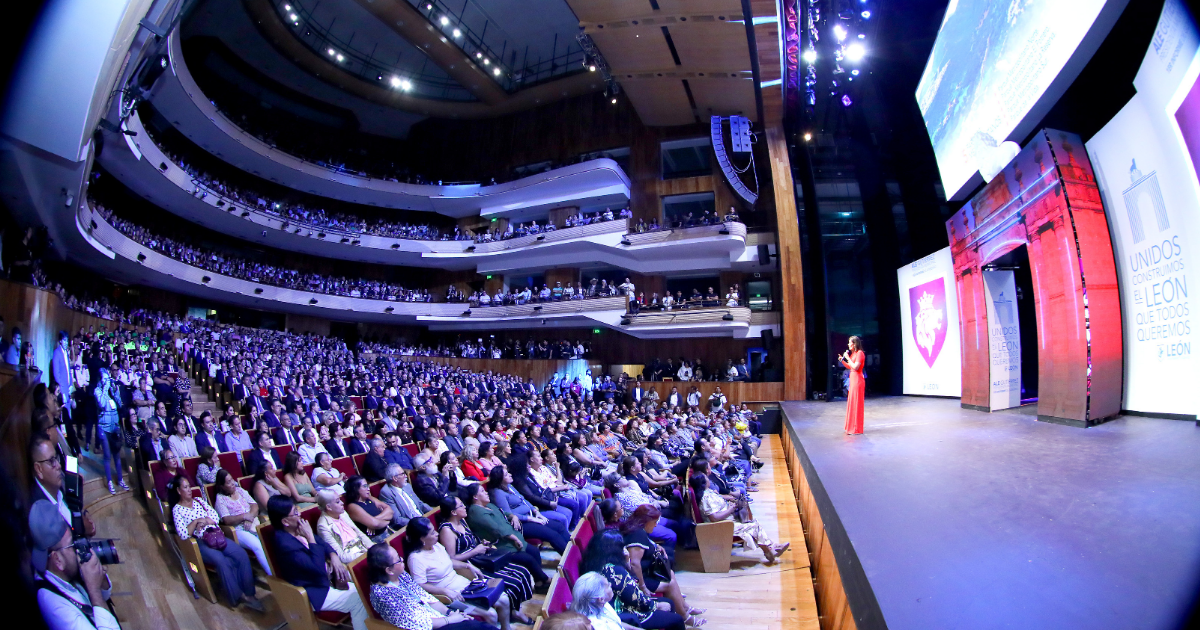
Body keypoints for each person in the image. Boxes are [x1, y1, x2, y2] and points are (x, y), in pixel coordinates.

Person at [267, 495, 369, 630]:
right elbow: (317, 568)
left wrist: (334, 556)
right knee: (358, 600)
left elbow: (324, 544)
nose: (300, 514)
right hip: (314, 589)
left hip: (327, 578)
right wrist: (310, 537)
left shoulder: (296, 528)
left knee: (364, 589)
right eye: (295, 512)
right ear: (285, 521)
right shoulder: (285, 544)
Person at [169, 474, 264, 611]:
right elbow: (183, 534)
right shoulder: (177, 509)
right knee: (221, 560)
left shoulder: (199, 501)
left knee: (240, 554)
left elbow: (215, 516)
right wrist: (195, 522)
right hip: (200, 541)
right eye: (185, 487)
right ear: (178, 491)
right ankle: (239, 596)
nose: (189, 489)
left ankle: (250, 593)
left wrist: (205, 520)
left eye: (189, 486)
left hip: (216, 534)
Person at [403, 516, 512, 630]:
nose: (436, 533)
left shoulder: (436, 545)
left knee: (504, 598)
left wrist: (467, 565)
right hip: (451, 597)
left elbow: (448, 562)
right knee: (491, 614)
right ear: (422, 539)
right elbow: (419, 585)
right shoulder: (416, 558)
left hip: (465, 586)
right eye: (432, 533)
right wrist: (445, 591)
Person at [29, 500, 120, 630]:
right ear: (57, 560)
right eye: (73, 545)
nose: (78, 549)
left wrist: (100, 579)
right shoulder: (53, 604)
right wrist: (94, 591)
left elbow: (104, 596)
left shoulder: (65, 573)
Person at [437, 495, 537, 612]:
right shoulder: (447, 530)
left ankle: (515, 608)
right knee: (512, 582)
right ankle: (512, 612)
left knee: (522, 572)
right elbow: (451, 558)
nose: (465, 507)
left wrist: (481, 543)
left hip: (481, 557)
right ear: (453, 512)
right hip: (469, 565)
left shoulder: (462, 521)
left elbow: (472, 540)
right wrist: (475, 551)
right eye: (461, 506)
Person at [366, 543, 498, 630]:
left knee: (483, 626)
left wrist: (450, 613)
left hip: (438, 618)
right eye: (398, 559)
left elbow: (426, 597)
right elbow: (416, 622)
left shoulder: (401, 575)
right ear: (389, 570)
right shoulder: (382, 595)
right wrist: (450, 620)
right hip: (429, 627)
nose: (402, 559)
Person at [580, 530, 693, 630]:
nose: (625, 550)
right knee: (676, 619)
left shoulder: (593, 562)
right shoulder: (615, 570)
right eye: (622, 547)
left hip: (607, 608)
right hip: (621, 612)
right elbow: (635, 597)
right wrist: (656, 606)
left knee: (669, 603)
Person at [689, 474, 788, 564]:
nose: (708, 478)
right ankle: (771, 549)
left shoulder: (709, 492)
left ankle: (771, 549)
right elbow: (714, 518)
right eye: (706, 478)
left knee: (754, 524)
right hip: (720, 527)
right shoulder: (706, 498)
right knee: (754, 526)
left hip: (726, 522)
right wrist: (731, 509)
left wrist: (730, 504)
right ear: (703, 483)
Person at [487, 465, 568, 553]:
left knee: (559, 526)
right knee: (552, 535)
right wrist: (532, 519)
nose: (510, 474)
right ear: (500, 479)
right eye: (506, 474)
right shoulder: (499, 493)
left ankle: (574, 551)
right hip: (521, 524)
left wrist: (536, 511)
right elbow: (508, 514)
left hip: (531, 516)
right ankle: (569, 561)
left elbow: (523, 500)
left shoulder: (509, 486)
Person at [214, 469, 272, 575]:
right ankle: (273, 575)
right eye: (228, 482)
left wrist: (250, 517)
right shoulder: (220, 499)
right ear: (222, 486)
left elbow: (254, 505)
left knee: (270, 539)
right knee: (257, 545)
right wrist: (244, 516)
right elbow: (226, 520)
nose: (232, 484)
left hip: (253, 522)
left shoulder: (240, 491)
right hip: (238, 530)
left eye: (232, 480)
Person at [94, 369, 127, 495]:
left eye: (108, 378)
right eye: (105, 379)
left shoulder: (111, 391)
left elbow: (120, 405)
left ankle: (120, 479)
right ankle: (109, 481)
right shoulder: (97, 391)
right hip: (103, 428)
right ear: (100, 380)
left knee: (117, 455)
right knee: (107, 456)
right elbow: (102, 404)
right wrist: (105, 389)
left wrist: (116, 393)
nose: (107, 381)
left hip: (115, 428)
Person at [316, 489, 373, 563]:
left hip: (364, 549)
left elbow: (359, 532)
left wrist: (372, 547)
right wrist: (367, 555)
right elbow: (341, 556)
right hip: (352, 558)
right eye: (337, 502)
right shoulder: (323, 526)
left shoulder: (342, 513)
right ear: (329, 507)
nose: (342, 503)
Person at [569, 571, 638, 630]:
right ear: (600, 599)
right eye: (608, 585)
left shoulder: (600, 604)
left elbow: (617, 624)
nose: (611, 585)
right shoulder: (596, 626)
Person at [378, 463, 431, 528]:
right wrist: (417, 523)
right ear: (395, 478)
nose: (406, 476)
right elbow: (397, 519)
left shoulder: (407, 486)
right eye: (403, 474)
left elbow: (420, 504)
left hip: (422, 518)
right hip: (410, 526)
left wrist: (432, 512)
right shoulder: (386, 493)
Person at [344, 475, 395, 542]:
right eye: (365, 486)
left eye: (367, 486)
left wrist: (375, 520)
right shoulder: (352, 506)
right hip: (375, 539)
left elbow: (390, 511)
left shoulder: (369, 498)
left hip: (388, 530)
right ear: (355, 488)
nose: (368, 488)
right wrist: (387, 521)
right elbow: (375, 524)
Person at [839, 336, 865, 435]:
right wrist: (843, 360)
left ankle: (856, 427)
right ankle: (851, 426)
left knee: (857, 403)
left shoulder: (860, 354)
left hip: (858, 380)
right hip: (853, 379)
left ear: (854, 344)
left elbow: (856, 367)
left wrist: (847, 357)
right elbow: (850, 367)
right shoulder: (854, 354)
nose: (848, 345)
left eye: (850, 343)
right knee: (852, 402)